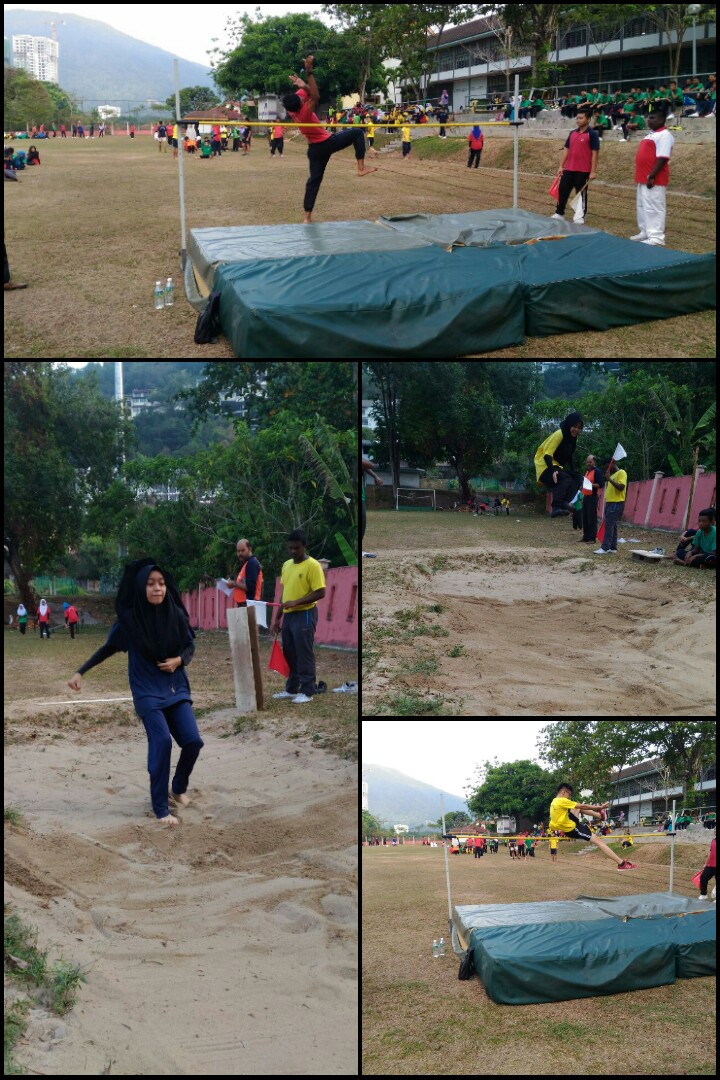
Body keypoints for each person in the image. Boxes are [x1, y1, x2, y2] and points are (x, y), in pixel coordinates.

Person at [67, 558, 203, 826]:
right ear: (141, 588)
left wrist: (179, 660)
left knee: (193, 741)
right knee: (162, 741)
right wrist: (80, 671)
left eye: (161, 583)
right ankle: (161, 808)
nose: (157, 589)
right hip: (146, 691)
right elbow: (107, 648)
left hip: (174, 687)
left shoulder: (175, 614)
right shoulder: (128, 624)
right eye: (151, 584)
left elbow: (189, 646)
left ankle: (178, 788)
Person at [281, 55, 376, 224]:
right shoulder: (304, 112)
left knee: (313, 182)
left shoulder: (292, 110)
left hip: (314, 150)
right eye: (302, 99)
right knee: (357, 133)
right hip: (327, 143)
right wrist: (309, 74)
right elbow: (315, 96)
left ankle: (306, 217)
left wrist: (302, 85)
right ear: (301, 104)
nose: (303, 97)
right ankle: (361, 168)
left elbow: (309, 94)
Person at [270, 529, 326, 703]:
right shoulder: (287, 565)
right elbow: (284, 594)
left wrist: (297, 602)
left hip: (306, 613)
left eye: (296, 548)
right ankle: (292, 688)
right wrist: (277, 617)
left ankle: (308, 690)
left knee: (304, 651)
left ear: (304, 546)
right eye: (290, 548)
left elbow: (321, 592)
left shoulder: (313, 566)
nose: (293, 552)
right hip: (288, 616)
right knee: (290, 652)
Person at [550, 782, 637, 870]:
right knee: (599, 842)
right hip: (573, 829)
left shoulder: (553, 802)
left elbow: (553, 823)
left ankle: (599, 816)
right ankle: (621, 864)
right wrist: (599, 807)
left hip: (570, 824)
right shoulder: (561, 800)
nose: (569, 797)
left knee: (576, 806)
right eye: (569, 794)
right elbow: (583, 806)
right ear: (564, 792)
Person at [631, 110, 674, 245]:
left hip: (653, 178)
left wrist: (652, 176)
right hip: (642, 177)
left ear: (661, 120)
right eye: (648, 117)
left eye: (653, 118)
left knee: (654, 207)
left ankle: (656, 237)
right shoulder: (652, 134)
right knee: (642, 206)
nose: (649, 120)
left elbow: (662, 158)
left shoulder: (664, 135)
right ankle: (645, 231)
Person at [551, 108, 599, 224]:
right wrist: (561, 166)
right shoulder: (572, 133)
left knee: (580, 194)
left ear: (588, 119)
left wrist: (593, 171)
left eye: (581, 118)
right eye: (577, 118)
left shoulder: (592, 134)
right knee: (563, 190)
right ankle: (559, 213)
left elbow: (595, 153)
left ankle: (579, 216)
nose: (578, 120)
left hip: (583, 171)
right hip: (569, 169)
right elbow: (566, 149)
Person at [534, 411, 584, 517]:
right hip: (544, 465)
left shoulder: (573, 439)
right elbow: (547, 455)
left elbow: (569, 456)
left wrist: (573, 471)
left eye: (579, 428)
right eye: (575, 426)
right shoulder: (559, 434)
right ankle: (556, 507)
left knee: (577, 477)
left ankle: (564, 502)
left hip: (555, 465)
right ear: (569, 424)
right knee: (564, 477)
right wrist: (553, 471)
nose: (577, 430)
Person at [594, 459, 626, 554]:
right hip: (610, 503)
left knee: (608, 525)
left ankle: (605, 548)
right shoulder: (612, 476)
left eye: (607, 466)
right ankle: (613, 547)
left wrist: (609, 479)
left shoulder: (621, 472)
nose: (607, 469)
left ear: (613, 464)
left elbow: (621, 487)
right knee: (613, 526)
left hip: (616, 503)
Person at [225, 537, 263, 606]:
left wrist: (234, 584)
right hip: (245, 604)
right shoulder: (247, 563)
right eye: (238, 551)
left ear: (250, 549)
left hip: (250, 604)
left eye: (243, 550)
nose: (240, 553)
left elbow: (250, 587)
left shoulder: (252, 563)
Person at [580, 454, 604, 543]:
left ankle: (592, 538)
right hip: (586, 497)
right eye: (587, 462)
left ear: (594, 462)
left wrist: (590, 485)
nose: (588, 464)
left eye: (590, 462)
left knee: (592, 518)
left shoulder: (597, 471)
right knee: (585, 518)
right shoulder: (587, 472)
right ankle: (586, 536)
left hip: (593, 497)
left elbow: (600, 484)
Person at [697, 827, 716, 902]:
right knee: (703, 878)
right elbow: (710, 853)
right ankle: (703, 894)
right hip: (710, 865)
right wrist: (706, 863)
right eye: (714, 829)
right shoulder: (713, 841)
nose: (715, 830)